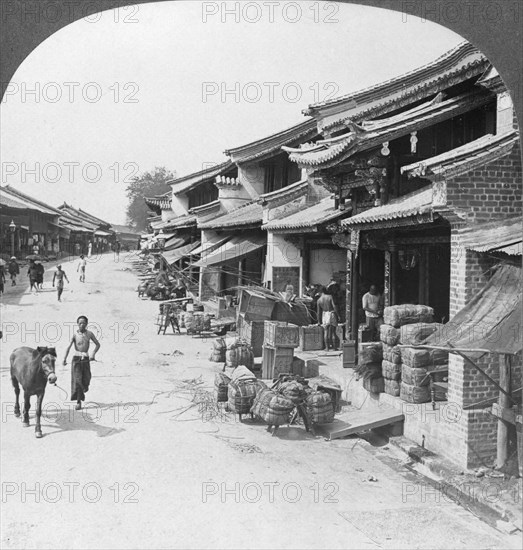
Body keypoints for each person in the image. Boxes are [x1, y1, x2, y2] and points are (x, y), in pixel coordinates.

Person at [63, 315, 101, 410]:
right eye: (80, 323)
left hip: (86, 359)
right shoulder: (75, 335)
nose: (82, 325)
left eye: (84, 323)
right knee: (77, 380)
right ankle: (78, 401)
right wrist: (64, 358)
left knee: (87, 378)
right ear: (77, 324)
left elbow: (97, 344)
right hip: (76, 359)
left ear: (87, 324)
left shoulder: (89, 334)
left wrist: (93, 354)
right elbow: (68, 347)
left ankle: (84, 388)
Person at [317, 286, 339, 351]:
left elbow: (318, 312)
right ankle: (334, 348)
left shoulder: (319, 300)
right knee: (333, 332)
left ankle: (327, 348)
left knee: (326, 331)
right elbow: (334, 306)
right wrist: (338, 315)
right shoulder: (330, 297)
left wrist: (319, 321)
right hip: (331, 313)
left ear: (320, 292)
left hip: (325, 315)